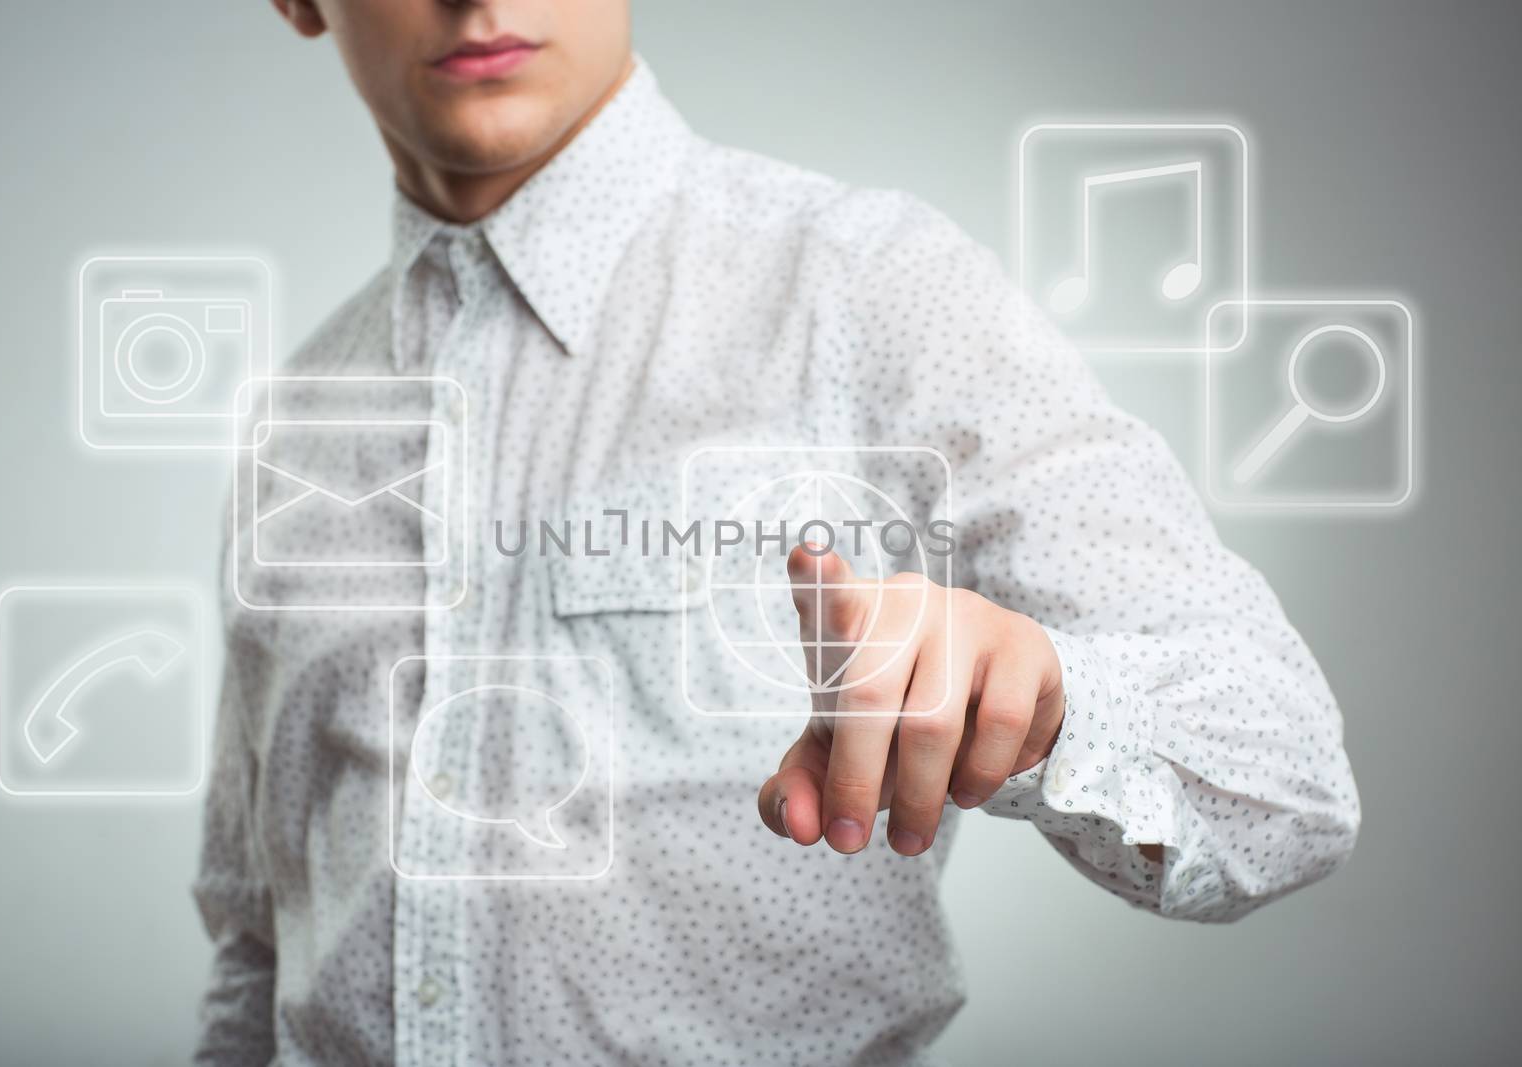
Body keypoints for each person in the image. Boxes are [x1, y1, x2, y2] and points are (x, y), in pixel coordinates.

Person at [196, 1, 1361, 1062]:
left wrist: (1044, 697)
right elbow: (260, 933)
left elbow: (1282, 774)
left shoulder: (867, 289)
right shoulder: (295, 430)